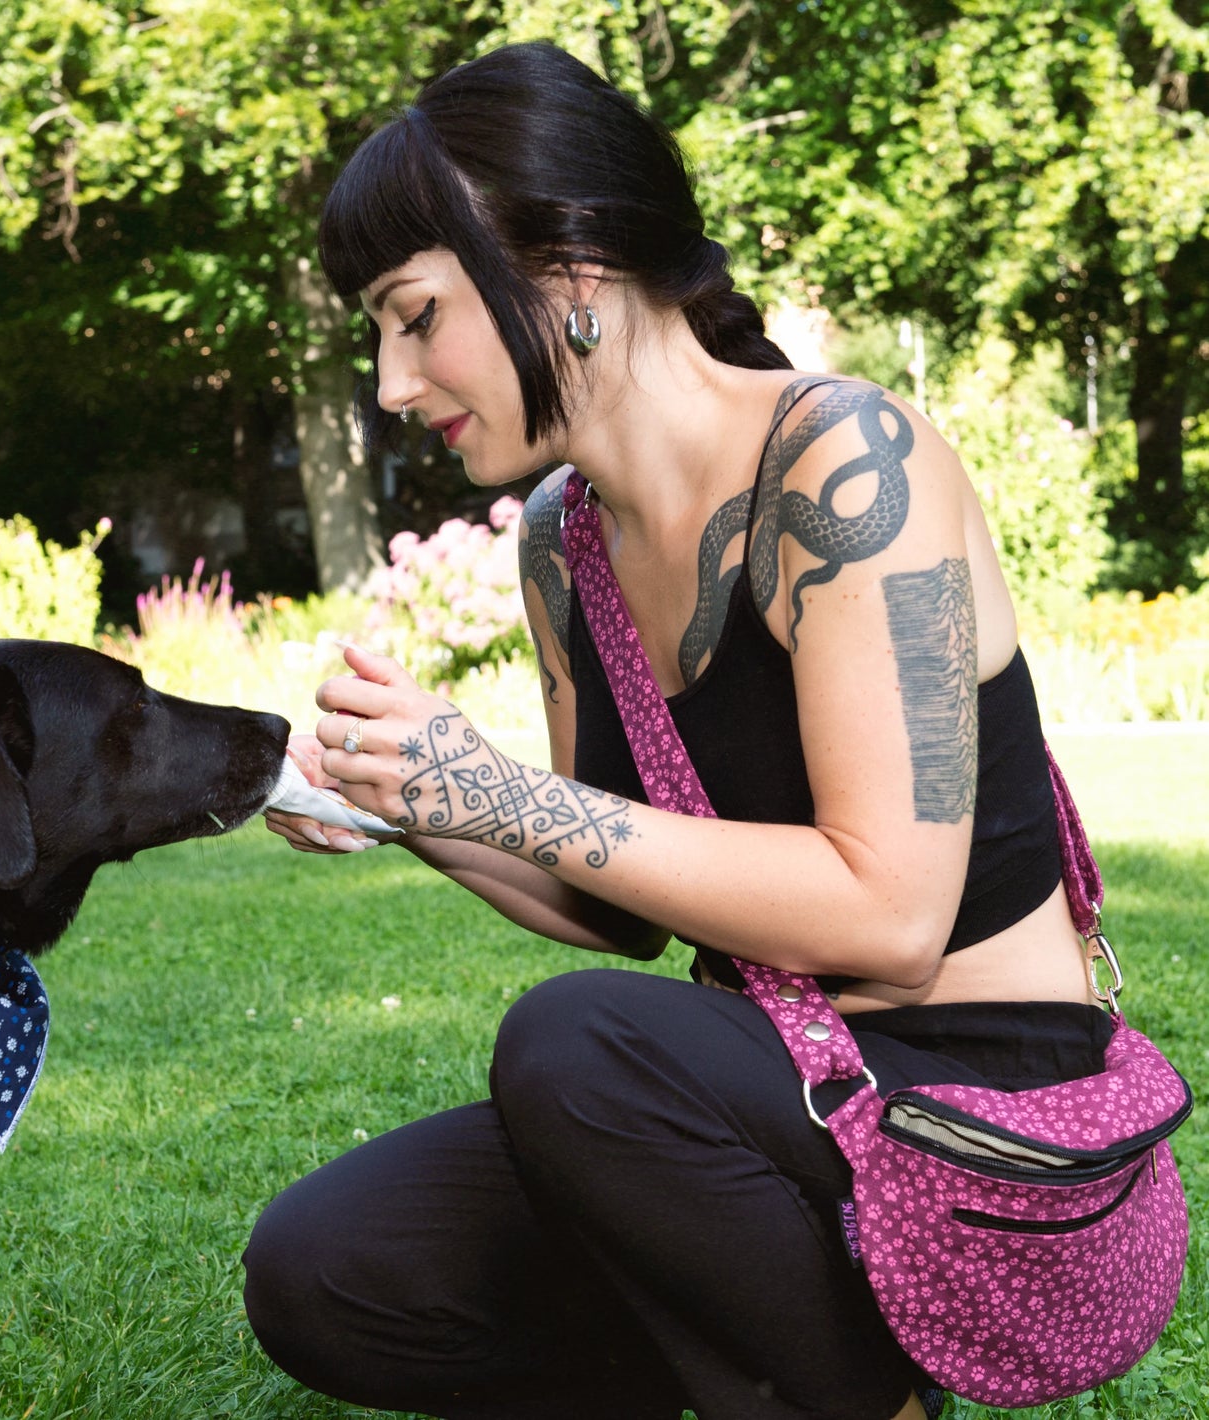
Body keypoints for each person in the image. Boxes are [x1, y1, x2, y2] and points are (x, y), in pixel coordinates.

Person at [243, 40, 1109, 1420]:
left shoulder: (844, 464)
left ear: (567, 271)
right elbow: (621, 913)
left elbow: (890, 915)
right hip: (775, 1090)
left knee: (577, 1044)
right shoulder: (561, 542)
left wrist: (501, 793)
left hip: (975, 1099)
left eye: (414, 316)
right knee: (330, 1267)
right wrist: (412, 800)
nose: (394, 383)